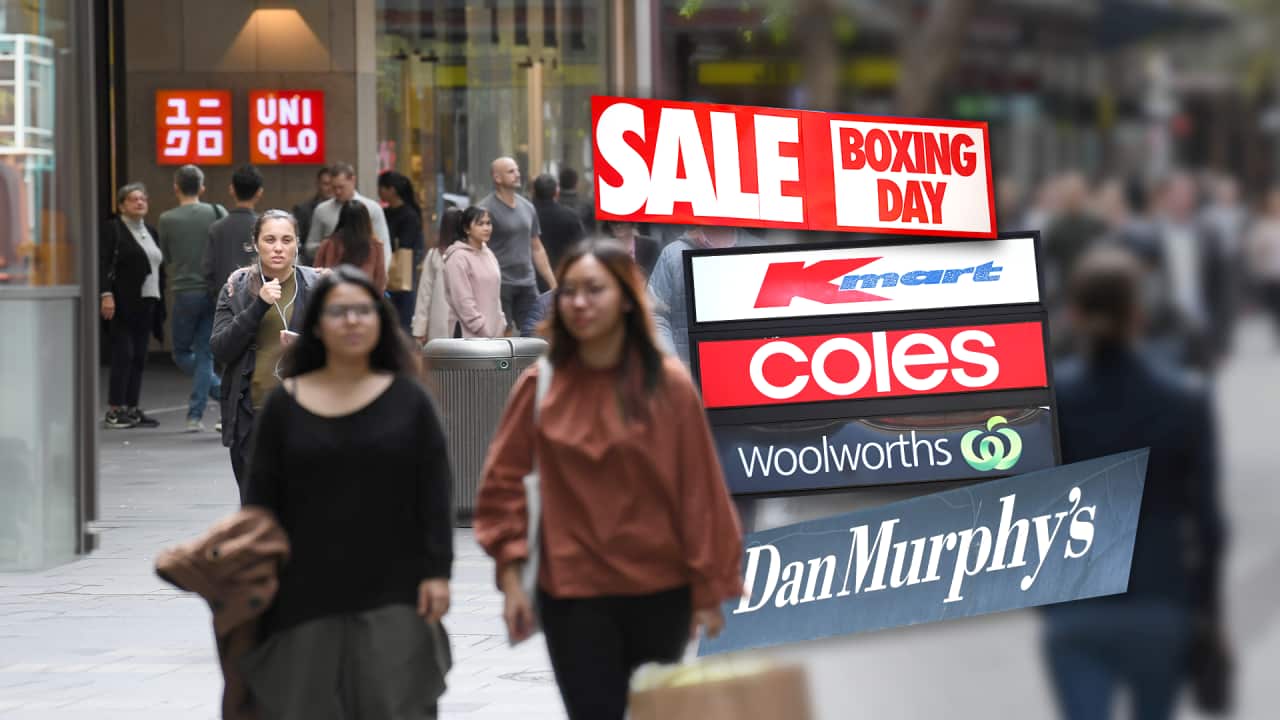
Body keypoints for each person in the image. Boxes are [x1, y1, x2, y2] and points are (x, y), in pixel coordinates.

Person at [474, 239, 743, 720]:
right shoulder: (541, 385)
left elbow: (700, 491)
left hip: (660, 592)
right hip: (573, 594)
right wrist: (513, 576)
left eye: (594, 289)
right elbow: (502, 488)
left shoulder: (668, 384)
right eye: (570, 290)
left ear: (625, 297)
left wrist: (709, 587)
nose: (578, 302)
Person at [241, 265, 453, 718]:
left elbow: (433, 492)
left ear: (380, 320)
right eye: (339, 312)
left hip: (393, 594)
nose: (353, 321)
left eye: (363, 310)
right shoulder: (284, 404)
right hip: (302, 596)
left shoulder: (409, 400)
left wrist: (437, 573)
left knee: (394, 704)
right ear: (316, 325)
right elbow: (259, 504)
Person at [1043, 246, 1227, 720]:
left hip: (1076, 606)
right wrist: (1206, 610)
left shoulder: (1052, 403)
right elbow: (1208, 524)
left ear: (1073, 315)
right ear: (1138, 316)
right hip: (1159, 602)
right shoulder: (1185, 399)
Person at [211, 210, 323, 495]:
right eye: (269, 239)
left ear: (297, 243)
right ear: (255, 243)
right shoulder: (236, 287)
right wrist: (258, 306)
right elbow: (221, 348)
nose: (278, 247)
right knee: (256, 508)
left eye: (286, 240)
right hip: (252, 415)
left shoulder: (318, 287)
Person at [157, 164, 226, 432]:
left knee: (182, 352)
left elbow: (168, 256)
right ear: (202, 187)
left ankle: (201, 408)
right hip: (213, 290)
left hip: (185, 290)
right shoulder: (216, 212)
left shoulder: (167, 219)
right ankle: (209, 405)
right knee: (206, 351)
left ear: (176, 187)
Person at [99, 182, 164, 429]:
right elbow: (104, 263)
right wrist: (106, 294)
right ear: (122, 205)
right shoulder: (113, 230)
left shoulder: (150, 231)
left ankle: (132, 407)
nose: (140, 203)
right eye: (134, 199)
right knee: (123, 354)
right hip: (122, 301)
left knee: (139, 355)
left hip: (147, 300)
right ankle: (116, 408)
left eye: (143, 199)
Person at [647, 226, 761, 366]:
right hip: (690, 374)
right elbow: (655, 316)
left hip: (748, 368)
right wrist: (673, 362)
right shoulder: (673, 254)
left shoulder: (760, 248)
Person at [478, 156, 557, 336]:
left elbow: (537, 247)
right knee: (504, 335)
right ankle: (508, 365)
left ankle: (532, 365)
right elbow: (478, 248)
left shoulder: (528, 207)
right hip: (500, 282)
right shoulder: (485, 209)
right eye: (511, 171)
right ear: (497, 178)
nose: (517, 174)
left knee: (535, 333)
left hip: (527, 281)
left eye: (517, 170)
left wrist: (553, 283)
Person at [304, 162, 391, 272]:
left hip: (365, 275)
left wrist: (382, 272)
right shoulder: (322, 210)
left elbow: (384, 245)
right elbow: (310, 246)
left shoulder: (372, 208)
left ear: (352, 180)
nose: (337, 192)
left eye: (341, 187)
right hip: (332, 275)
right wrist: (330, 246)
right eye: (334, 188)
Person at [442, 206, 505, 338]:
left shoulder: (488, 253)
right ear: (466, 229)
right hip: (468, 336)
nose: (486, 228)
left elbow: (495, 295)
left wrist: (500, 324)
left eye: (488, 223)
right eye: (480, 224)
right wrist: (482, 329)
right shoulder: (457, 258)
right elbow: (463, 302)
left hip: (493, 335)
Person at [205, 165, 263, 302]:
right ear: (259, 192)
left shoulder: (216, 228)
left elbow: (208, 271)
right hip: (260, 303)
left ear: (232, 189)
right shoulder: (265, 228)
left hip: (225, 302)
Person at [378, 170, 425, 331]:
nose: (380, 192)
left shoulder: (409, 215)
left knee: (403, 316)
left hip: (402, 271)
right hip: (391, 270)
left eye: (382, 188)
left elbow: (405, 244)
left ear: (391, 190)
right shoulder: (385, 212)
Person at [314, 201, 388, 295]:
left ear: (341, 218)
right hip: (364, 299)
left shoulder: (327, 244)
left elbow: (315, 276)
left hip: (334, 298)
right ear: (365, 220)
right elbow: (380, 281)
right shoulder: (376, 246)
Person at [411, 207, 461, 345]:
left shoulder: (434, 255)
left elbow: (424, 294)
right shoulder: (436, 255)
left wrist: (419, 329)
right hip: (462, 324)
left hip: (440, 325)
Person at [531, 173, 584, 289]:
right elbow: (580, 247)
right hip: (563, 274)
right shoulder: (570, 216)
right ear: (557, 192)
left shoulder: (527, 215)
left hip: (532, 277)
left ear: (533, 192)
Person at [1247, 187, 1280, 343]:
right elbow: (1254, 248)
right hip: (1271, 273)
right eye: (1274, 203)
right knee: (1275, 306)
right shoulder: (1263, 225)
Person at [291, 167, 333, 254]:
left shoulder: (345, 209)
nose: (330, 188)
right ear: (318, 184)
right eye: (326, 184)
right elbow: (297, 241)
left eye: (333, 184)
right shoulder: (303, 210)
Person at [557, 166, 595, 233]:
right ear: (576, 184)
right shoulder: (587, 205)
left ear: (559, 184)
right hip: (581, 241)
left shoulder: (554, 204)